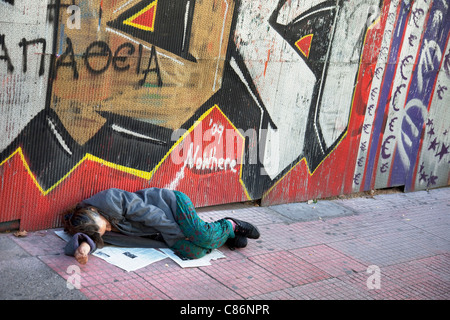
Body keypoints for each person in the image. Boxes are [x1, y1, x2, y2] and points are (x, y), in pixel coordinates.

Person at [63, 187, 260, 264]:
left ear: (95, 211)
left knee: (200, 235)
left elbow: (154, 215)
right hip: (163, 232)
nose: (108, 230)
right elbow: (90, 237)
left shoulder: (110, 199)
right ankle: (229, 236)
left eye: (105, 225)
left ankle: (228, 224)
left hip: (172, 207)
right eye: (103, 232)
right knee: (194, 252)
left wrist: (183, 236)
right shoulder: (94, 227)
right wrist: (85, 246)